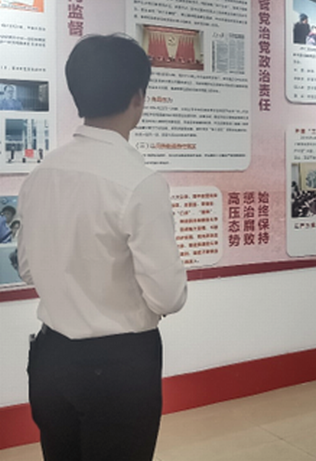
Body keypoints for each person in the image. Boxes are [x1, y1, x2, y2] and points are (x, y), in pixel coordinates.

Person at [18, 34, 188, 461]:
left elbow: (29, 270)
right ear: (138, 97)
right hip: (118, 368)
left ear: (77, 94)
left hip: (51, 360)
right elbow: (168, 296)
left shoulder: (40, 175)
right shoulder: (140, 182)